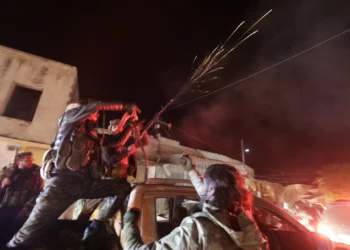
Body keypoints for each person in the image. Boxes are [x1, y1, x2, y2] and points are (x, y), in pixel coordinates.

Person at [6, 100, 139, 249]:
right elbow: (96, 106)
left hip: (83, 184)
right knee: (26, 235)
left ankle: (97, 225)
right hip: (60, 185)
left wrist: (130, 124)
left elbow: (117, 142)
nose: (95, 114)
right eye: (90, 112)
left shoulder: (92, 134)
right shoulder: (68, 119)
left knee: (122, 187)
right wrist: (124, 106)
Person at [122, 154, 266, 250]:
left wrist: (129, 224)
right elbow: (210, 194)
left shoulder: (197, 229)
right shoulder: (248, 223)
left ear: (211, 188)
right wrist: (191, 171)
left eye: (206, 181)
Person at [0, 152, 43, 247]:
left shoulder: (36, 174)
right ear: (19, 161)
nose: (31, 162)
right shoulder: (8, 172)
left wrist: (26, 208)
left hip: (22, 209)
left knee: (14, 233)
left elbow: (38, 193)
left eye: (32, 160)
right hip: (5, 207)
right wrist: (3, 185)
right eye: (28, 160)